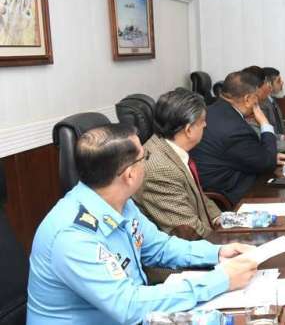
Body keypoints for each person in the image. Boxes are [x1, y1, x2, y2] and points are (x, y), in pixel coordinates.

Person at [27, 124, 258, 325]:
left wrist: (217, 253)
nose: (147, 162)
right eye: (144, 157)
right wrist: (220, 280)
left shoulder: (119, 202)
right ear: (129, 174)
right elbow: (128, 306)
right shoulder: (73, 235)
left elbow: (159, 247)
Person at [190, 70, 285, 205]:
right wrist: (264, 123)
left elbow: (241, 152)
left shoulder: (211, 110)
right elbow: (266, 164)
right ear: (248, 99)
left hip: (219, 181)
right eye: (256, 97)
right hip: (232, 195)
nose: (258, 102)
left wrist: (265, 155)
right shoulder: (235, 127)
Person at [134, 88, 221, 240]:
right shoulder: (160, 169)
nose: (205, 125)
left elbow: (200, 198)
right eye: (202, 122)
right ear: (189, 130)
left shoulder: (171, 147)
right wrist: (225, 243)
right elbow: (189, 231)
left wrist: (222, 220)